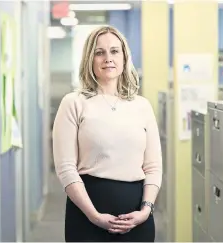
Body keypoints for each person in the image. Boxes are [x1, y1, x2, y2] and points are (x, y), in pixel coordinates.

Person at [52, 25, 162, 242]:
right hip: (87, 216)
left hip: (137, 218)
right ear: (89, 59)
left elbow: (153, 167)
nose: (108, 58)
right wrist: (94, 216)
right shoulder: (74, 103)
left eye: (114, 51)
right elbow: (66, 168)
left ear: (124, 57)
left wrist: (145, 211)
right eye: (99, 52)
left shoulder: (142, 106)